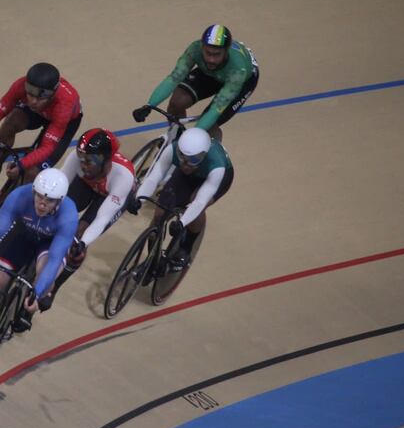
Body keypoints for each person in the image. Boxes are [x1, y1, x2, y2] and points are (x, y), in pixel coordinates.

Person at [0, 168, 78, 364]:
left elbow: (54, 259)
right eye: (39, 196)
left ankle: (26, 311)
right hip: (23, 235)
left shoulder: (68, 216)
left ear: (59, 201)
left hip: (49, 245)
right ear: (33, 191)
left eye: (49, 200)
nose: (42, 203)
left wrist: (37, 293)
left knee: (46, 276)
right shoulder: (19, 196)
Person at [39, 128, 136, 310]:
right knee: (56, 212)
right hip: (86, 184)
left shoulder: (123, 177)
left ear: (105, 160)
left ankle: (54, 287)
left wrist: (82, 243)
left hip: (108, 196)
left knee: (79, 235)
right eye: (81, 157)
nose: (83, 164)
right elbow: (58, 187)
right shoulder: (77, 160)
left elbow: (102, 218)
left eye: (89, 161)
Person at [128, 127, 233, 272]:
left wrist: (182, 222)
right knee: (159, 214)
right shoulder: (173, 150)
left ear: (203, 156)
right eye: (182, 156)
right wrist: (139, 199)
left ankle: (186, 247)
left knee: (195, 200)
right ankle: (152, 259)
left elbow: (200, 202)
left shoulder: (216, 165)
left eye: (193, 159)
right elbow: (153, 178)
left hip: (215, 178)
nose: (185, 163)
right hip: (187, 175)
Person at [132, 24, 259, 142]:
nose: (211, 59)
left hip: (239, 80)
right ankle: (176, 139)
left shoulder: (238, 69)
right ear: (202, 47)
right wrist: (149, 105)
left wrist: (193, 137)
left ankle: (211, 152)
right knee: (177, 102)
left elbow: (216, 108)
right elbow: (173, 78)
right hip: (213, 73)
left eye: (216, 54)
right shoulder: (195, 49)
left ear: (226, 52)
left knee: (208, 127)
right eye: (208, 53)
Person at [0, 62, 83, 183]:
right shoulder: (20, 86)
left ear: (53, 94)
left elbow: (48, 146)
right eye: (30, 93)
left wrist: (22, 165)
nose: (33, 101)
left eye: (40, 97)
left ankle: (12, 194)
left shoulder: (64, 104)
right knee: (8, 125)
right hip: (38, 112)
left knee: (32, 172)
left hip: (65, 121)